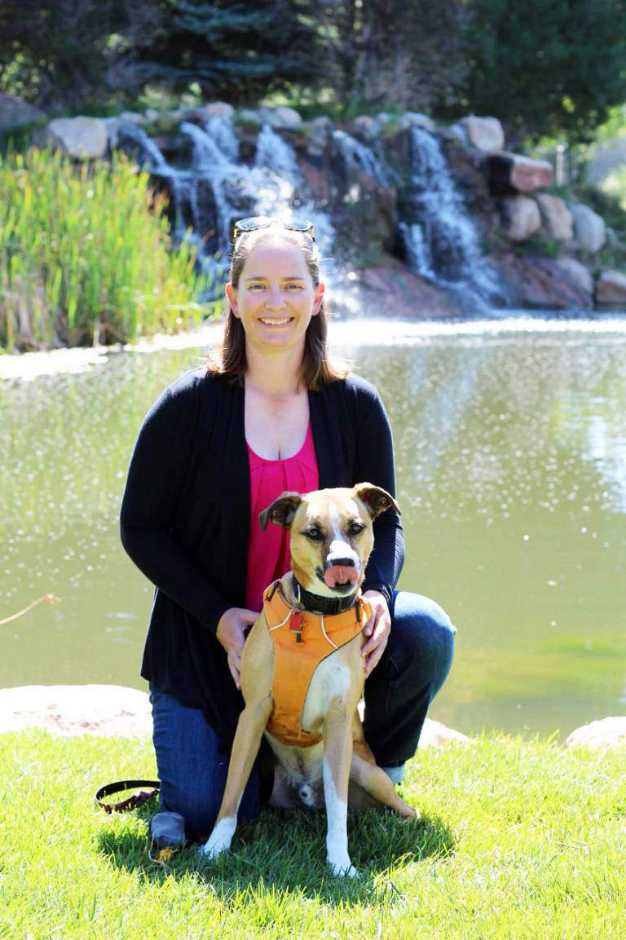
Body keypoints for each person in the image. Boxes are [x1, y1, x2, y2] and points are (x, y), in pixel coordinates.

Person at [120, 215, 456, 850]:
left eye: (293, 286)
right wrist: (218, 614)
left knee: (426, 630)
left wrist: (380, 594)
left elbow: (391, 519)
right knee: (201, 812)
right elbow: (140, 527)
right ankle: (252, 774)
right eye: (260, 286)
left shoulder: (355, 404)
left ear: (318, 296)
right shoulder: (187, 407)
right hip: (214, 640)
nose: (276, 303)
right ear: (233, 297)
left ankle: (376, 774)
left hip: (328, 631)